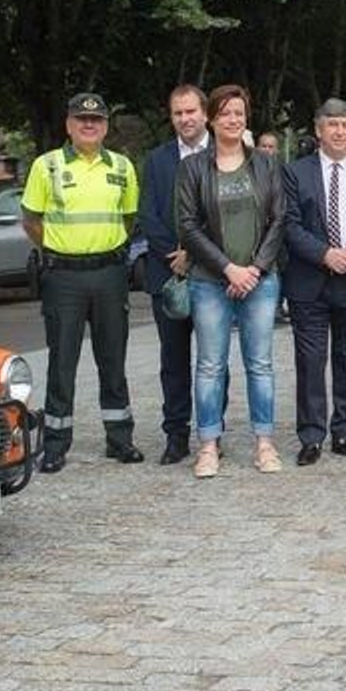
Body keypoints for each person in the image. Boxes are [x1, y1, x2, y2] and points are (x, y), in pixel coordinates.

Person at [21, 93, 143, 473]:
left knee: (113, 357)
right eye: (81, 120)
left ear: (106, 126)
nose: (89, 125)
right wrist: (62, 249)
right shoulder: (48, 166)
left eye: (97, 120)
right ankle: (55, 444)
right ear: (69, 125)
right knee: (62, 361)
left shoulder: (122, 166)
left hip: (109, 273)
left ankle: (120, 439)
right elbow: (31, 221)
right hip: (64, 275)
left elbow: (128, 220)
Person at [176, 85, 286, 478]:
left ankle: (264, 443)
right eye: (225, 113)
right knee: (209, 365)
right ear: (211, 118)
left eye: (239, 113)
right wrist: (228, 268)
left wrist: (255, 268)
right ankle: (208, 445)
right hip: (210, 280)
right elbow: (188, 227)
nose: (233, 120)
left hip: (260, 280)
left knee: (260, 364)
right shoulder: (193, 167)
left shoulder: (266, 164)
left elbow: (279, 220)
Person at [283, 98, 346, 464]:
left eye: (345, 124)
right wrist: (324, 253)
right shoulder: (296, 172)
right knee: (310, 362)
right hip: (310, 281)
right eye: (332, 125)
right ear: (318, 130)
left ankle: (344, 432)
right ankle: (311, 437)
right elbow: (290, 225)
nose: (339, 131)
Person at [138, 84, 209, 465]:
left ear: (205, 113)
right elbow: (147, 213)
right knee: (174, 360)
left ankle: (211, 432)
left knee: (213, 360)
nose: (185, 119)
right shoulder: (157, 159)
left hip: (214, 275)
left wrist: (196, 254)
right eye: (178, 113)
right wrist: (175, 256)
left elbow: (232, 216)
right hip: (167, 276)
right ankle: (176, 434)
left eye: (191, 112)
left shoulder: (226, 154)